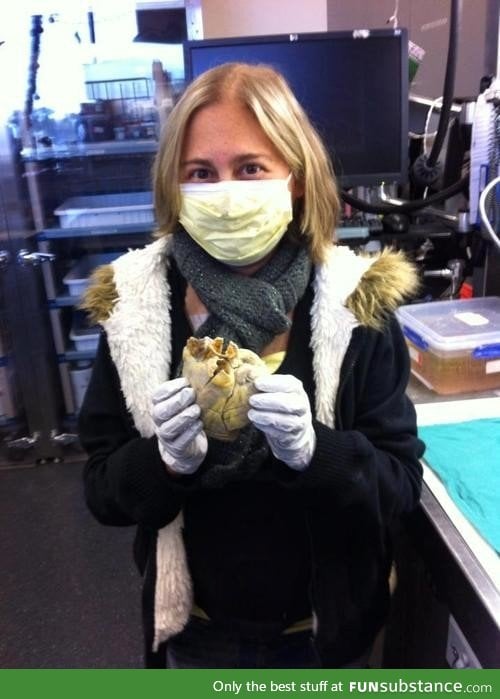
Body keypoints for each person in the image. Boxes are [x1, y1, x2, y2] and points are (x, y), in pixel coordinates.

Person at [78, 62, 424, 669]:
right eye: (201, 173)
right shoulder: (133, 305)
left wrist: (316, 453)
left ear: (293, 176)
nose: (226, 192)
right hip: (196, 630)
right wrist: (163, 462)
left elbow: (399, 488)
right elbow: (103, 493)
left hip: (322, 631)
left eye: (250, 168)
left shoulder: (354, 302)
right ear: (175, 185)